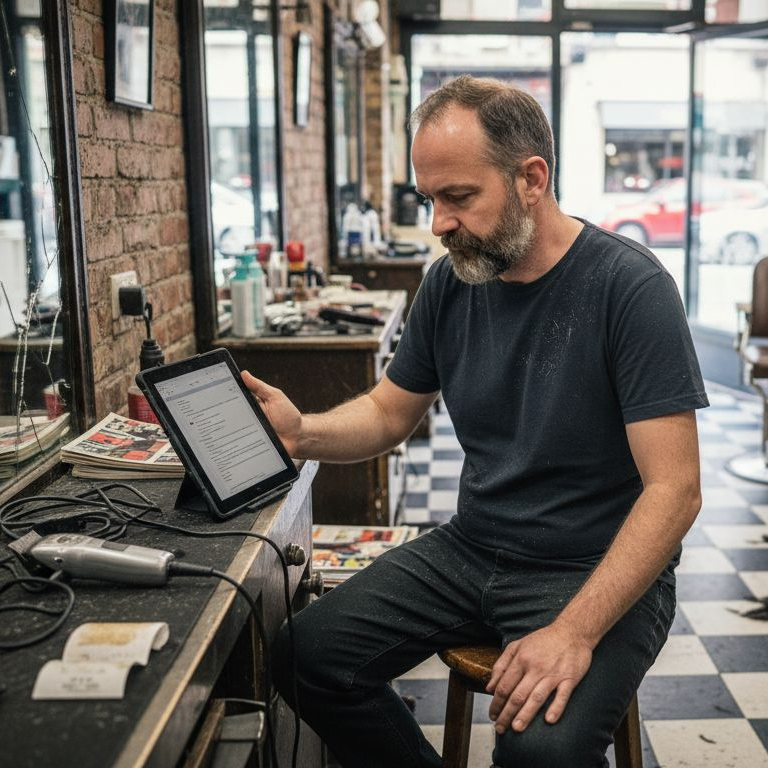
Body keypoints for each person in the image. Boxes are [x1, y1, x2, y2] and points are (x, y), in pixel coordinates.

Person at [242, 75, 707, 768]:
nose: (439, 224)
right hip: (473, 548)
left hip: (592, 564)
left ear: (532, 179)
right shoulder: (450, 283)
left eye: (459, 197)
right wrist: (301, 432)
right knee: (305, 657)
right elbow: (388, 412)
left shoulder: (630, 288)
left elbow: (676, 490)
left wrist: (574, 632)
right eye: (430, 199)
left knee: (541, 755)